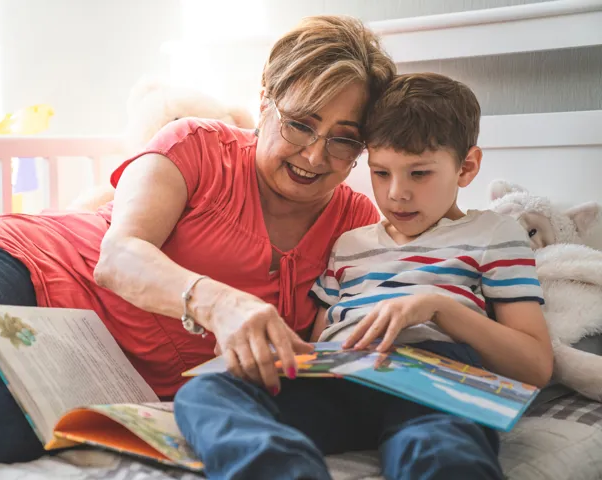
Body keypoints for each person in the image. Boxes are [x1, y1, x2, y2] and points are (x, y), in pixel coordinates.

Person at [0, 15, 395, 465]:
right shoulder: (195, 143)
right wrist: (217, 302)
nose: (313, 155)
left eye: (343, 138)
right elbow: (119, 257)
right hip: (30, 265)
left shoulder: (358, 227)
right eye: (300, 125)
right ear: (264, 100)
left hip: (97, 366)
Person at [174, 73, 555, 480]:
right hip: (342, 379)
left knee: (437, 447)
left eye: (419, 173)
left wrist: (437, 307)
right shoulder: (349, 244)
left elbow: (535, 365)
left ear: (467, 167)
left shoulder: (494, 235)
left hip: (434, 381)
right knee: (204, 393)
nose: (396, 194)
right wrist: (264, 353)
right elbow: (316, 343)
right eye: (381, 172)